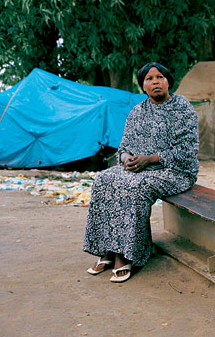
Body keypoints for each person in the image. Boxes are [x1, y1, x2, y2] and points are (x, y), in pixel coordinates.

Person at [83, 62, 199, 283]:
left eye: (160, 77)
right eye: (149, 79)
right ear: (143, 86)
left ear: (168, 82)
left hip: (175, 171)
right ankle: (107, 249)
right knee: (104, 179)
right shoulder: (138, 111)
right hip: (140, 169)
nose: (155, 82)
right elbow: (124, 146)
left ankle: (128, 254)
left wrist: (150, 159)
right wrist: (127, 159)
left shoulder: (183, 108)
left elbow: (188, 150)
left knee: (134, 187)